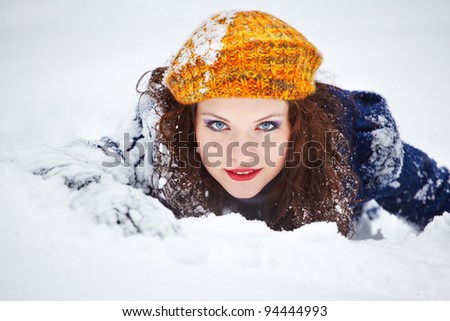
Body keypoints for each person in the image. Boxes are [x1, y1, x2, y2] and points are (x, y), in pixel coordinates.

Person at [25, 10, 450, 237]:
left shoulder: (358, 148)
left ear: (298, 124)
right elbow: (43, 173)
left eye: (266, 126)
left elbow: (440, 197)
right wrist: (111, 204)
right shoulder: (156, 146)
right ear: (187, 122)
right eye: (217, 125)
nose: (240, 152)